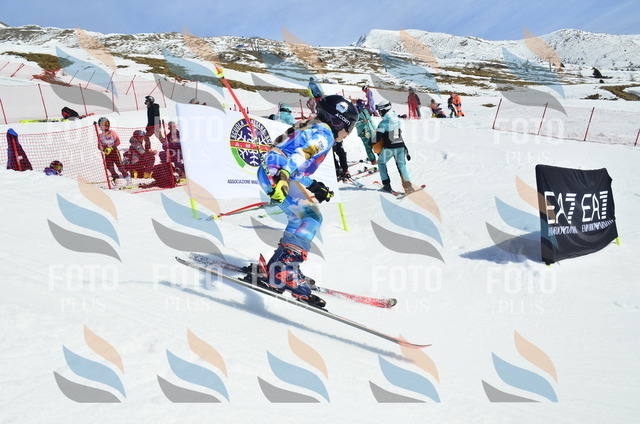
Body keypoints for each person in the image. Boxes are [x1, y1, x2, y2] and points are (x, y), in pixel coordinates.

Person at [257, 95, 359, 308]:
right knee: (311, 217)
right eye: (349, 126)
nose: (349, 133)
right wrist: (283, 177)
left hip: (273, 170)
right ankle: (285, 269)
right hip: (277, 173)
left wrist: (313, 186)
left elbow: (297, 168)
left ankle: (278, 265)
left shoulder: (314, 128)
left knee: (298, 218)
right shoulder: (325, 135)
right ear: (338, 121)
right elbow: (300, 155)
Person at [375, 101, 414, 194]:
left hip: (389, 148)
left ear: (383, 110)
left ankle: (386, 184)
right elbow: (399, 135)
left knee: (381, 163)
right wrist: (406, 149)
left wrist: (370, 143)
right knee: (402, 166)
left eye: (379, 111)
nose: (379, 113)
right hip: (401, 147)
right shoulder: (397, 120)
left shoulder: (383, 123)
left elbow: (377, 138)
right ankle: (408, 187)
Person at [97, 117, 131, 186]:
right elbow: (99, 146)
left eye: (107, 124)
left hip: (114, 151)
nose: (106, 126)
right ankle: (116, 180)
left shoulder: (112, 132)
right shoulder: (100, 136)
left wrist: (112, 147)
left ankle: (128, 181)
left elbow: (118, 141)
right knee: (109, 167)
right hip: (107, 153)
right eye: (103, 124)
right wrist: (103, 149)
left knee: (120, 166)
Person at [355, 99, 377, 164]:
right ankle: (373, 160)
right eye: (361, 107)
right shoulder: (355, 113)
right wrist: (362, 121)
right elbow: (354, 124)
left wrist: (375, 128)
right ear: (358, 106)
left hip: (370, 130)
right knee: (368, 146)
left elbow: (370, 120)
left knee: (375, 144)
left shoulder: (365, 111)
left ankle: (381, 158)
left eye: (363, 107)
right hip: (363, 132)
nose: (362, 108)